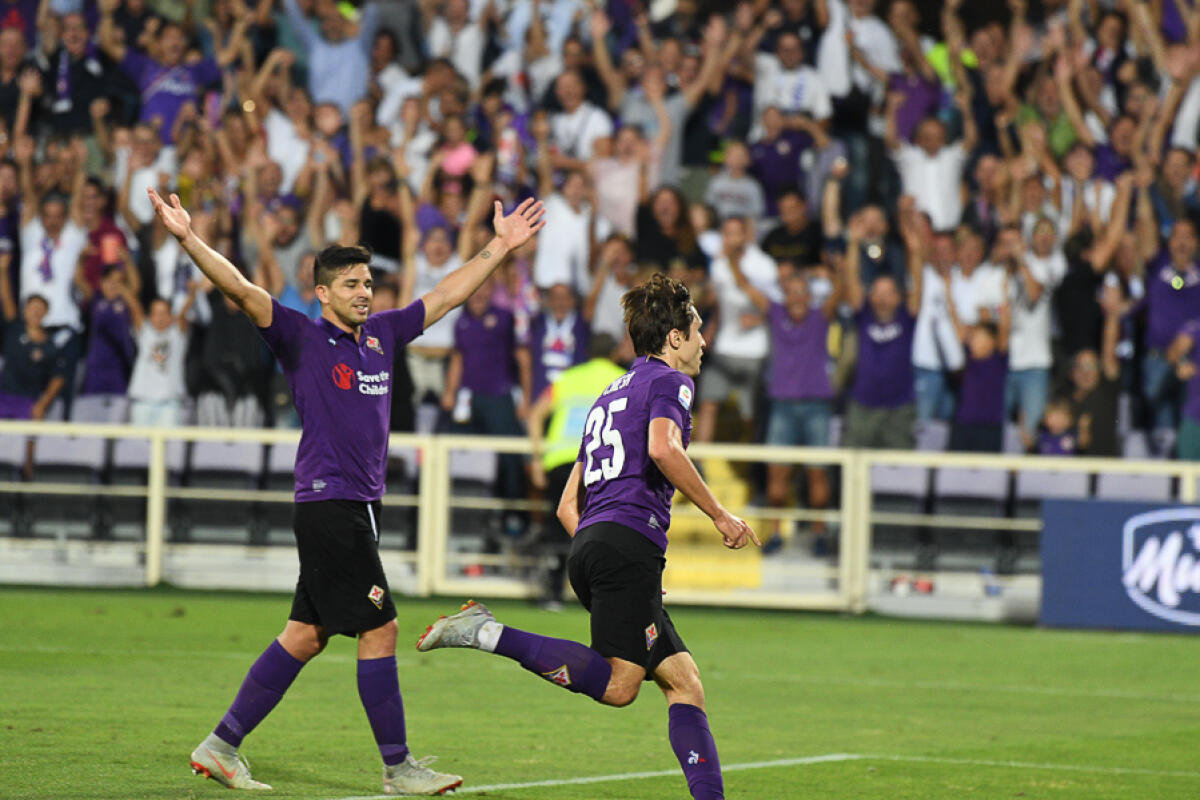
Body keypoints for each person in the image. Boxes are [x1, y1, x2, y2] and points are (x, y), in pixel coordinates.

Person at [147, 186, 545, 794]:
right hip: (329, 503)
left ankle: (221, 745)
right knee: (380, 626)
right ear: (323, 293)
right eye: (351, 284)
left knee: (304, 636)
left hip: (356, 505)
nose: (364, 292)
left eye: (367, 283)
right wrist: (188, 238)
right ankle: (398, 768)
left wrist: (500, 247)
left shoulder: (384, 334)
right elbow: (242, 290)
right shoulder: (301, 337)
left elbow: (444, 296)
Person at [417, 273, 759, 800]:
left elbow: (564, 505)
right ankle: (485, 632)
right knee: (620, 686)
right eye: (696, 330)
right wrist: (719, 514)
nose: (703, 342)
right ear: (673, 338)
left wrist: (618, 563)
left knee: (684, 682)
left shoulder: (609, 395)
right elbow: (665, 450)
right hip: (622, 544)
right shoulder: (671, 382)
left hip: (594, 542)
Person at [526, 332, 626, 606]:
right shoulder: (622, 380)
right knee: (601, 527)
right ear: (615, 352)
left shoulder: (567, 378)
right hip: (598, 463)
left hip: (558, 460)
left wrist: (537, 457)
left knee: (558, 529)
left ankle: (553, 592)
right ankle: (600, 594)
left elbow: (535, 414)